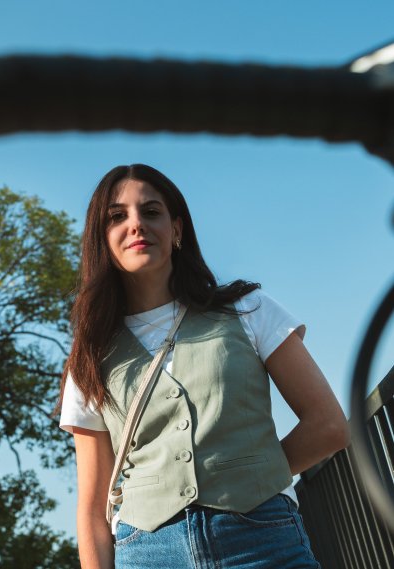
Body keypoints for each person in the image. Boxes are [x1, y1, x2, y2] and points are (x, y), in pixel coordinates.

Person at [57, 164, 350, 569]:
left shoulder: (248, 309)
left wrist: (254, 478)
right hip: (147, 554)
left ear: (177, 229)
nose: (137, 224)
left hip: (264, 542)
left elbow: (329, 424)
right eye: (117, 216)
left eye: (152, 211)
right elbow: (91, 510)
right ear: (102, 239)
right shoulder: (89, 356)